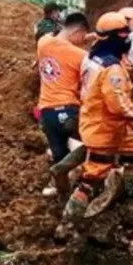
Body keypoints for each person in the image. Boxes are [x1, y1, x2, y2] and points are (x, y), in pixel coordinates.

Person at [61, 12, 133, 222]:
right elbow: (117, 104)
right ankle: (69, 221)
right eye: (124, 36)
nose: (127, 40)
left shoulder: (92, 58)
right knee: (94, 174)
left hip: (101, 121)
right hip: (105, 127)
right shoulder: (112, 69)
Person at [36, 12, 93, 197]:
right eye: (83, 36)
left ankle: (61, 192)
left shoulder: (43, 44)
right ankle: (87, 185)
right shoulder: (80, 55)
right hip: (69, 111)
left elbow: (50, 35)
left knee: (59, 155)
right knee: (94, 145)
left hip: (46, 113)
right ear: (79, 31)